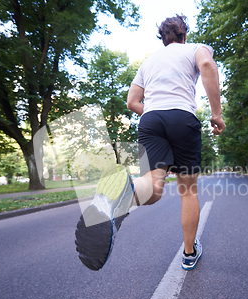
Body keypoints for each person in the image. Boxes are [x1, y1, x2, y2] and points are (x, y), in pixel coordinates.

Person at [75, 14, 225, 271]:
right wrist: (216, 114)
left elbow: (132, 102)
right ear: (183, 35)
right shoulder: (195, 49)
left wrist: (156, 112)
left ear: (163, 38)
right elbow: (208, 66)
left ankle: (119, 193)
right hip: (182, 117)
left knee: (153, 190)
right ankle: (189, 253)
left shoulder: (149, 62)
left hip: (151, 120)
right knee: (187, 190)